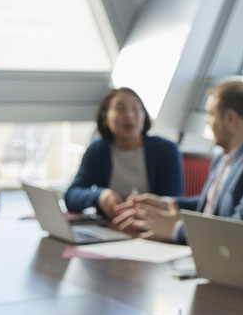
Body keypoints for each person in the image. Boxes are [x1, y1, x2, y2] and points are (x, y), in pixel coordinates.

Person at [114, 80, 243, 244]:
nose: (207, 122)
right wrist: (166, 205)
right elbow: (213, 207)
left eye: (210, 114)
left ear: (231, 119)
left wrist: (176, 229)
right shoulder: (228, 151)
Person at [64, 87, 183, 219]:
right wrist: (100, 195)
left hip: (152, 228)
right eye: (120, 109)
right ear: (105, 118)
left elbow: (175, 203)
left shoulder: (166, 150)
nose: (129, 115)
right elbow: (71, 196)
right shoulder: (97, 150)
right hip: (110, 228)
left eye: (136, 109)